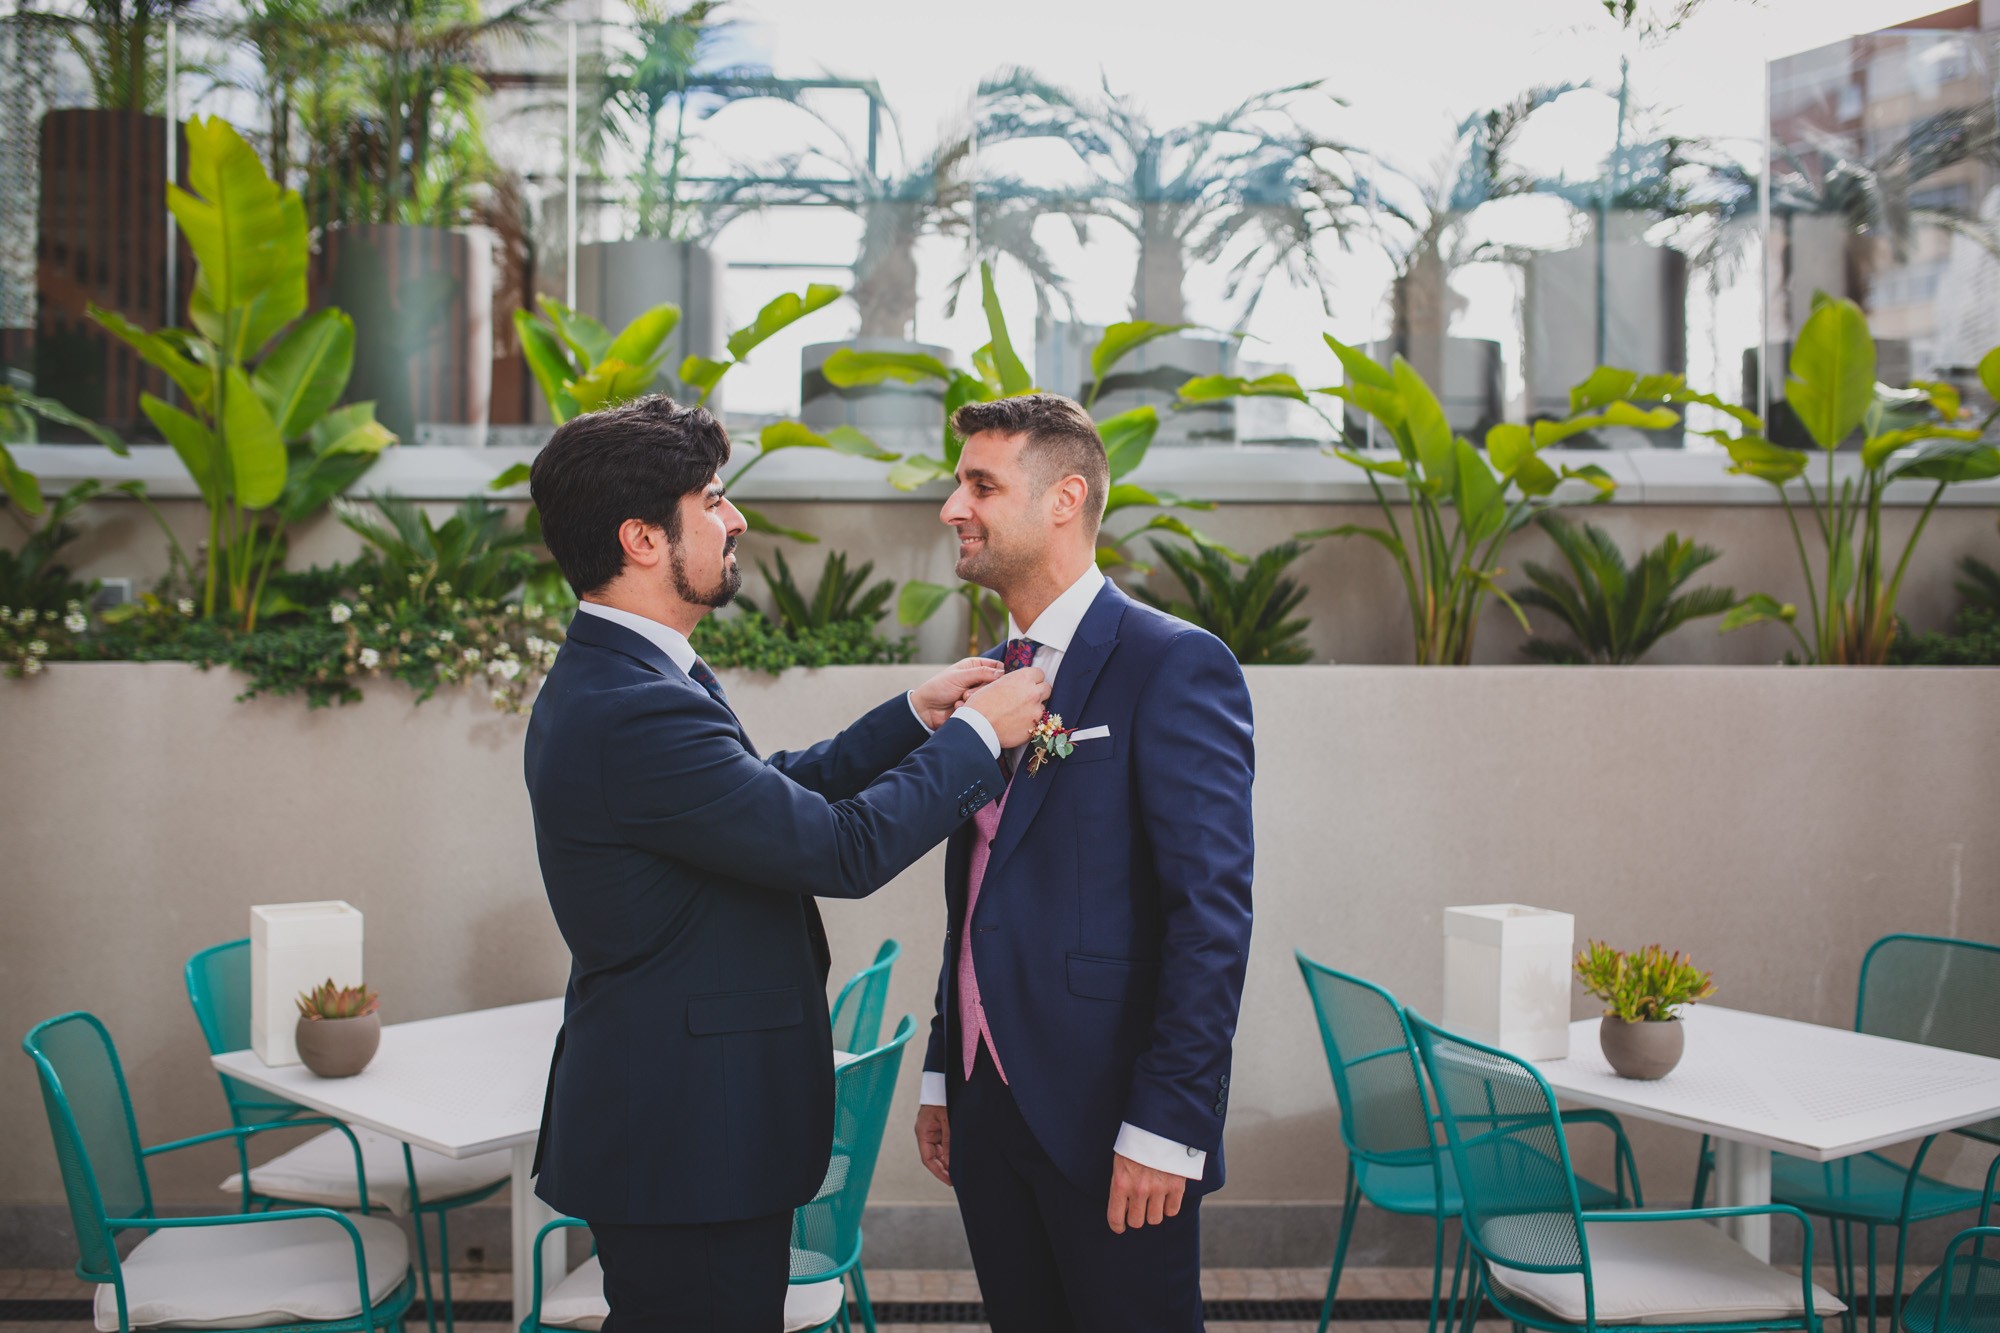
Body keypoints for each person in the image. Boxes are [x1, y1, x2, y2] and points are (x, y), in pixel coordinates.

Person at [523, 395, 1051, 1332]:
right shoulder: (633, 705)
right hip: (688, 1138)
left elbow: (761, 797)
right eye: (715, 501)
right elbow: (837, 850)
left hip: (681, 1129)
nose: (736, 521)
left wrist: (910, 718)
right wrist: (974, 739)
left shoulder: (639, 674)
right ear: (643, 537)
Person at [910, 393, 1255, 1332]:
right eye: (957, 483)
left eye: (980, 484)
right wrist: (947, 1070)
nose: (953, 505)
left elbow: (1210, 918)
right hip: (987, 1111)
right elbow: (976, 892)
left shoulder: (1174, 664)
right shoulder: (986, 678)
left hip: (1114, 1119)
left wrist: (1168, 1125)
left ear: (1065, 499)